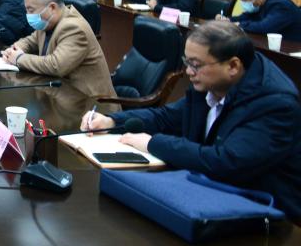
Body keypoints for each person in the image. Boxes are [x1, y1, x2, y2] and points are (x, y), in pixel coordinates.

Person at [80, 21, 301, 223]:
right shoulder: (212, 81)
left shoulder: (275, 103)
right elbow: (167, 116)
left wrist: (152, 143)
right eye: (187, 62)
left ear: (233, 66)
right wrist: (111, 120)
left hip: (267, 214)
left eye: (195, 65)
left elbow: (226, 162)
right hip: (211, 195)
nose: (188, 71)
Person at [1, 0, 116, 97]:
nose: (28, 15)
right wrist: (13, 50)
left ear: (52, 8)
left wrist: (19, 58)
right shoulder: (47, 21)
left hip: (89, 101)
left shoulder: (73, 27)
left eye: (31, 10)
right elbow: (30, 41)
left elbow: (56, 66)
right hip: (61, 94)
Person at [216, 0, 301, 41]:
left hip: (293, 48)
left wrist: (239, 25)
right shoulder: (262, 1)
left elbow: (264, 27)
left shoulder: (281, 6)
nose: (242, 2)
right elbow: (246, 16)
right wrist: (228, 20)